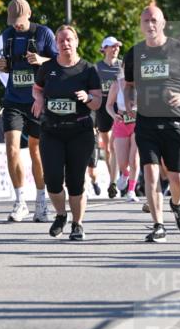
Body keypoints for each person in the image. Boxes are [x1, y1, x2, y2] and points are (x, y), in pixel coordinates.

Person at [123, 6, 180, 242]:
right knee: (151, 172)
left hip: (175, 120)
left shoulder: (179, 49)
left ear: (163, 23)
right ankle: (158, 225)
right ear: (141, 24)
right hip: (146, 121)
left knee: (178, 180)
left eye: (154, 20)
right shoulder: (134, 53)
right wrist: (129, 101)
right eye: (146, 20)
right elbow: (128, 85)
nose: (150, 25)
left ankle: (176, 204)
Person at [32, 24, 102, 240]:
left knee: (75, 181)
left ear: (76, 42)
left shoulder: (88, 69)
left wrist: (88, 98)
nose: (65, 44)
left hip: (79, 131)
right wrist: (39, 99)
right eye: (61, 40)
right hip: (51, 131)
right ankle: (61, 215)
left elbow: (97, 102)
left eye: (69, 39)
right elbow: (37, 88)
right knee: (52, 179)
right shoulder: (47, 68)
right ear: (56, 44)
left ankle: (77, 224)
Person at [0, 0, 56, 222]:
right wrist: (3, 66)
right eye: (13, 21)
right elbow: (10, 65)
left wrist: (41, 59)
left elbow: (58, 62)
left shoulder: (44, 33)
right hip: (13, 99)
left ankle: (41, 201)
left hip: (37, 100)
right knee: (11, 148)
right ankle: (20, 202)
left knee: (35, 150)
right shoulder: (7, 34)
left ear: (29, 14)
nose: (17, 25)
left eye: (20, 20)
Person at [105, 68, 139, 202]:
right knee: (122, 162)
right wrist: (114, 115)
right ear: (124, 67)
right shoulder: (117, 84)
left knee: (134, 158)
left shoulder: (143, 83)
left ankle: (131, 191)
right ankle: (125, 174)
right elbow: (108, 105)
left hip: (138, 123)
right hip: (121, 122)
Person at [95, 36, 122, 197]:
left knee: (114, 145)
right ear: (104, 49)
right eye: (112, 46)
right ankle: (113, 177)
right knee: (107, 148)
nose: (116, 49)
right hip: (103, 108)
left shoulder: (122, 66)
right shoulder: (97, 68)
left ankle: (113, 182)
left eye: (117, 46)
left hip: (118, 107)